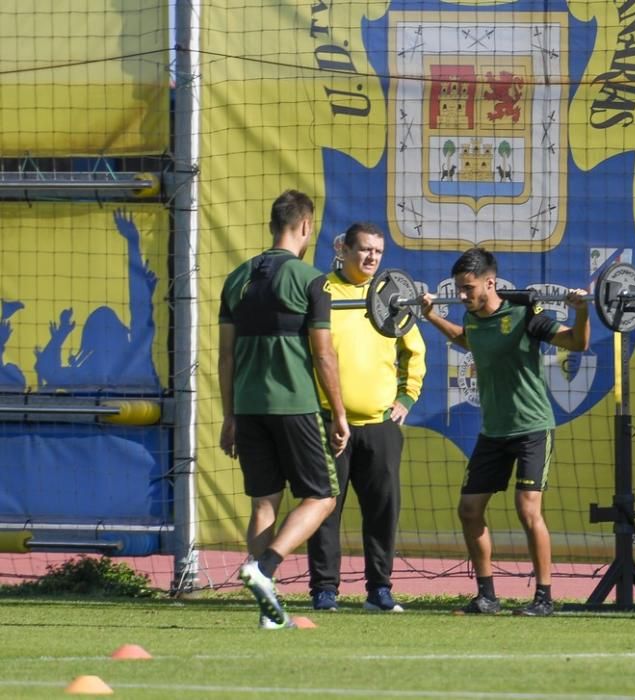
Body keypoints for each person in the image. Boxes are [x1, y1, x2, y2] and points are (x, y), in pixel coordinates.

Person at [419, 247, 590, 616]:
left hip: (532, 429)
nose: (462, 296)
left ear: (490, 282)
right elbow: (468, 340)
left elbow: (577, 343)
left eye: (468, 288)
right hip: (493, 431)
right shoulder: (475, 321)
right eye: (459, 289)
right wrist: (431, 316)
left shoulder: (526, 315)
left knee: (527, 511)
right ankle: (487, 596)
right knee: (469, 510)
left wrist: (582, 311)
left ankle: (544, 598)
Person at [218, 190, 349, 629]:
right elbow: (324, 356)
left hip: (249, 407)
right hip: (294, 405)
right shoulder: (312, 280)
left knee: (264, 503)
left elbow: (226, 357)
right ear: (306, 226)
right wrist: (340, 414)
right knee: (323, 496)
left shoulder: (236, 278)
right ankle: (266, 568)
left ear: (274, 223)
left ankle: (268, 613)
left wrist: (230, 415)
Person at [306, 222, 426, 613]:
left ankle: (380, 590)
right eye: (364, 250)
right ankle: (325, 590)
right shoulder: (321, 290)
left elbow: (415, 352)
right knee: (324, 508)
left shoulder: (394, 295)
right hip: (328, 423)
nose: (372, 257)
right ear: (344, 249)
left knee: (382, 509)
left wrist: (406, 397)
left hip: (380, 426)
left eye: (378, 251)